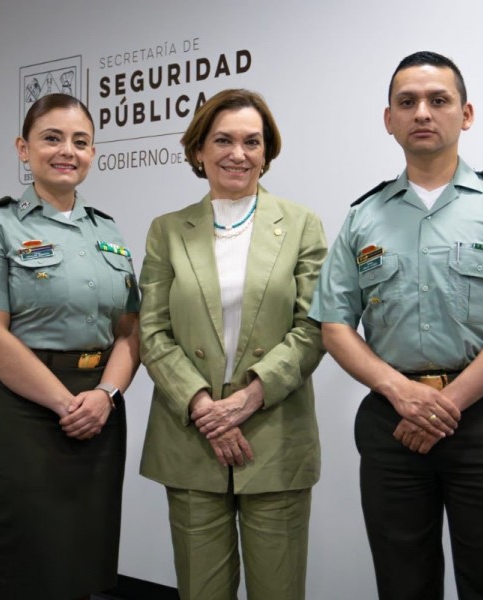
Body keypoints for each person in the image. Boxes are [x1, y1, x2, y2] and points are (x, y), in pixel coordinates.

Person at [309, 51, 483, 600]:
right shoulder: (362, 216)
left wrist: (444, 404)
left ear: (465, 114)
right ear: (389, 120)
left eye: (438, 100)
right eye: (408, 102)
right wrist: (401, 393)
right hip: (392, 419)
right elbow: (334, 324)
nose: (422, 112)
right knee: (403, 584)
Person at [138, 88, 326, 600]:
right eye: (222, 139)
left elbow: (314, 327)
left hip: (274, 430)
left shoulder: (303, 225)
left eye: (251, 142)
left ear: (268, 153)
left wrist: (246, 400)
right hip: (191, 436)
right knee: (201, 591)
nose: (237, 154)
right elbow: (151, 332)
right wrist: (205, 408)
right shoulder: (167, 231)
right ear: (199, 150)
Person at [0, 93, 140, 600]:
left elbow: (131, 331)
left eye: (80, 142)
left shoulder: (108, 230)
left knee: (87, 558)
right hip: (26, 411)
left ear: (93, 152)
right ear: (24, 148)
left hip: (101, 409)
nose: (68, 151)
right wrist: (66, 404)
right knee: (30, 564)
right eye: (52, 138)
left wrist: (105, 395)